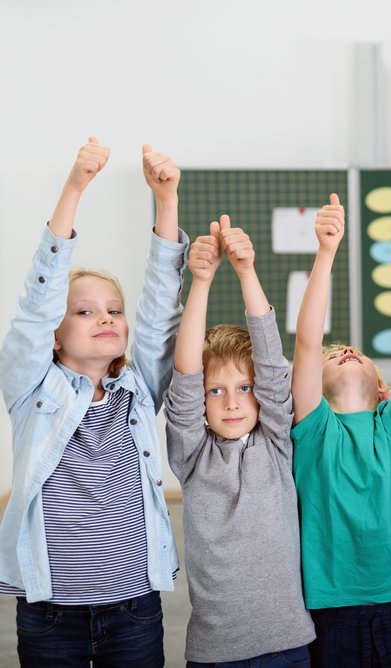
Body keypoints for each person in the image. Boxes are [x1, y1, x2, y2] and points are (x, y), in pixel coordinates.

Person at [0, 139, 187, 667]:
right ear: (55, 337)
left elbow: (158, 312)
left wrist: (166, 202)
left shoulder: (138, 389)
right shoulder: (31, 390)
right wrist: (75, 188)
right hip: (51, 610)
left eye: (112, 310)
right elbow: (37, 305)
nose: (105, 318)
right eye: (83, 312)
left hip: (133, 604)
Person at [290, 195, 391, 668]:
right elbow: (306, 340)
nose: (346, 351)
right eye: (333, 354)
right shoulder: (315, 428)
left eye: (355, 352)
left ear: (384, 390)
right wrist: (325, 253)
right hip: (329, 613)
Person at [163, 216, 314, 666]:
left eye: (244, 388)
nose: (231, 402)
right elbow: (186, 375)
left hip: (288, 644)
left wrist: (247, 271)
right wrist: (201, 283)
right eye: (217, 391)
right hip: (216, 652)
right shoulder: (191, 453)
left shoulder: (277, 441)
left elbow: (271, 364)